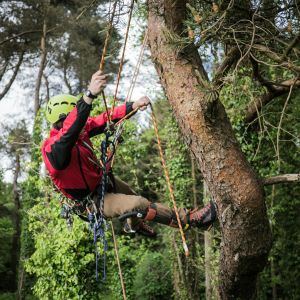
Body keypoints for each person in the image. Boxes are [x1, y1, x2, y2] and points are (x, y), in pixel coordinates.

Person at [41, 70, 216, 237]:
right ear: (64, 121)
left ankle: (134, 224)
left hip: (101, 182)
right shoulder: (53, 151)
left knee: (132, 195)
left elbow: (104, 119)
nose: (84, 123)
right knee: (138, 204)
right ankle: (190, 221)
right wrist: (89, 95)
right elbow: (68, 135)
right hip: (92, 202)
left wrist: (133, 106)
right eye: (78, 120)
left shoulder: (81, 131)